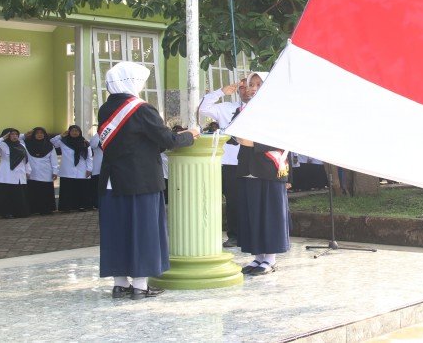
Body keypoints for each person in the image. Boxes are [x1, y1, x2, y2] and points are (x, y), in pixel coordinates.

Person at [97, 61, 198, 300]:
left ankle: (120, 284)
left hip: (112, 181)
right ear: (131, 82)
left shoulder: (104, 109)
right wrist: (190, 136)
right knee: (143, 231)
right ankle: (141, 286)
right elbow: (167, 140)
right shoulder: (142, 109)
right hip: (140, 181)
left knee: (117, 231)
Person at [236, 72, 291, 276]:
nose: (253, 87)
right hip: (247, 168)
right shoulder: (244, 108)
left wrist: (254, 143)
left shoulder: (277, 109)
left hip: (268, 168)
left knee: (270, 215)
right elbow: (236, 135)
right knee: (253, 214)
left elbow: (282, 138)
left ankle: (270, 259)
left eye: (259, 84)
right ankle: (258, 257)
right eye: (251, 84)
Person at [199, 78, 250, 248]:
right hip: (231, 162)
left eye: (249, 86)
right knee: (233, 201)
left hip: (255, 161)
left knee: (254, 199)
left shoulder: (262, 108)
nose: (245, 90)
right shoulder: (227, 108)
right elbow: (202, 108)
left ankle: (254, 233)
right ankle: (234, 235)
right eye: (241, 88)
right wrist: (221, 92)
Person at [0, 128, 31, 219]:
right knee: (7, 194)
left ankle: (19, 212)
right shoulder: (3, 144)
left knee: (19, 194)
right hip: (7, 174)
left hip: (20, 173)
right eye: (12, 134)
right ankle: (6, 212)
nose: (15, 136)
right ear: (7, 135)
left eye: (16, 134)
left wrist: (28, 171)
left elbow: (26, 159)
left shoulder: (21, 145)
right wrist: (2, 138)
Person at [51, 125, 93, 212]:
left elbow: (89, 157)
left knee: (81, 189)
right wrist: (61, 135)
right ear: (69, 132)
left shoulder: (85, 143)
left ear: (80, 132)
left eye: (76, 131)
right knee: (67, 189)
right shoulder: (63, 142)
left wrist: (89, 169)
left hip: (82, 169)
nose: (74, 133)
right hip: (67, 170)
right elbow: (52, 142)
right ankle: (67, 207)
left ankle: (82, 206)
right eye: (72, 131)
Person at [22, 127, 58, 215]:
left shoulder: (49, 146)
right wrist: (25, 134)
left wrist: (55, 171)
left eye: (41, 133)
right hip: (32, 172)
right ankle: (33, 209)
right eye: (37, 133)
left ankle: (46, 209)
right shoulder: (27, 144)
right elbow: (18, 139)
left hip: (46, 172)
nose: (39, 135)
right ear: (33, 135)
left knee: (45, 192)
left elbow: (54, 160)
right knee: (33, 191)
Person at [89, 130, 104, 209]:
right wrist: (99, 134)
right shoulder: (96, 136)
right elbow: (93, 145)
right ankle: (96, 203)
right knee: (96, 186)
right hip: (97, 166)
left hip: (110, 166)